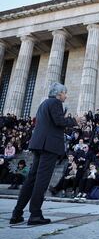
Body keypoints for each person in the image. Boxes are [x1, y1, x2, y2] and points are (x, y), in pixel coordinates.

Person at [10, 82, 80, 226]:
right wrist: (74, 120)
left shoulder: (44, 104)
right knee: (42, 180)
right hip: (49, 146)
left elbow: (51, 122)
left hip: (39, 144)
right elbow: (59, 121)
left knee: (31, 179)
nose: (66, 96)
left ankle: (17, 213)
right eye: (65, 93)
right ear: (59, 93)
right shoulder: (55, 102)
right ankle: (35, 214)